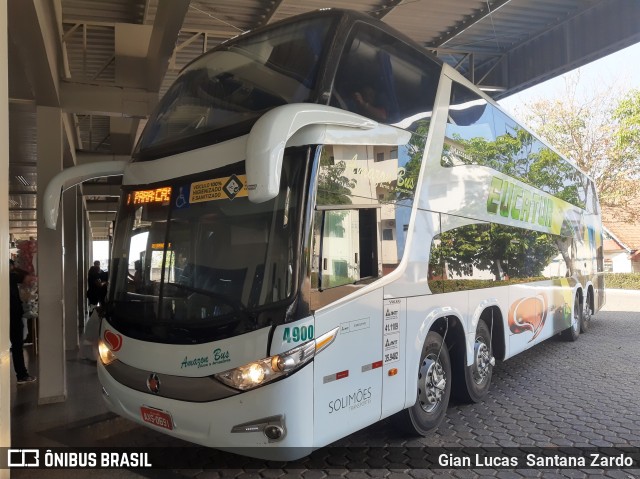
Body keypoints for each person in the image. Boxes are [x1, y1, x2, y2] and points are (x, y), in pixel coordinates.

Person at [9, 259, 36, 384]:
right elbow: (26, 276)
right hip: (13, 317)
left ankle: (22, 374)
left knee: (17, 346)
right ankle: (22, 375)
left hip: (12, 316)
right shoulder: (11, 277)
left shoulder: (10, 279)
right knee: (17, 346)